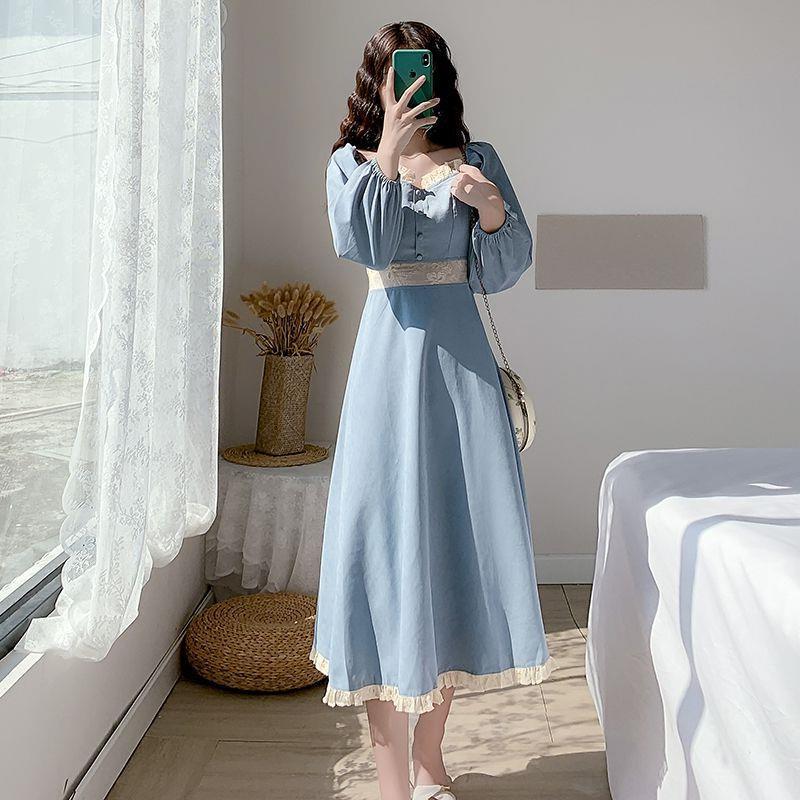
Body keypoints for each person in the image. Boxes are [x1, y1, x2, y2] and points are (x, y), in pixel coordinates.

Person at [311, 20, 553, 800]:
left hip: (462, 381)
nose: (412, 83)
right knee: (383, 562)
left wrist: (490, 209)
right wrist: (389, 145)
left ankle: (429, 764)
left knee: (453, 554)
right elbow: (365, 244)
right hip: (387, 381)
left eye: (422, 70)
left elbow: (502, 269)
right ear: (377, 81)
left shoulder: (478, 160)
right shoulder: (351, 164)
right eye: (396, 72)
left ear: (440, 75)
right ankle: (393, 781)